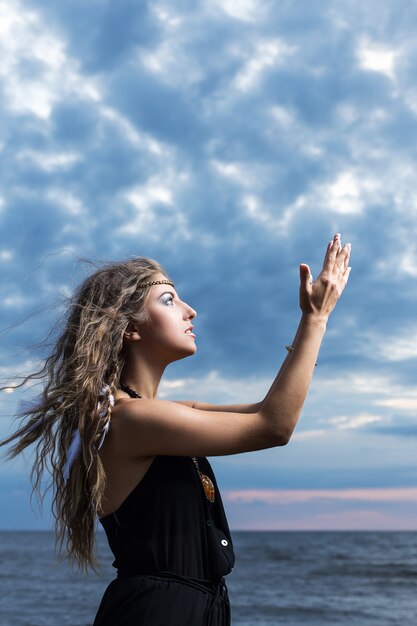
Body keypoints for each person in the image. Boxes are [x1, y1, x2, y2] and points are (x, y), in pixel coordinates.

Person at [1, 233, 351, 625]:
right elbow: (273, 427)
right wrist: (315, 318)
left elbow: (265, 412)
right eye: (169, 300)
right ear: (129, 328)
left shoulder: (154, 415)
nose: (191, 311)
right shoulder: (133, 420)